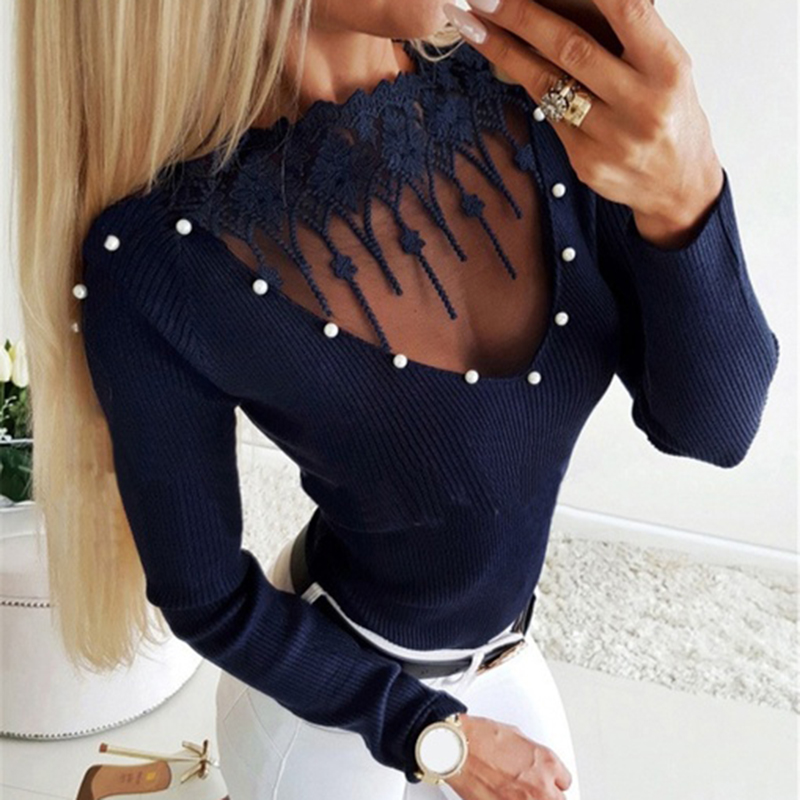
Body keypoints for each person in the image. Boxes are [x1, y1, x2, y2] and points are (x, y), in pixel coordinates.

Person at [12, 1, 779, 798]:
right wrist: (430, 735)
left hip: (506, 656)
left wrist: (686, 194)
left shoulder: (542, 99)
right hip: (321, 710)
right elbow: (206, 598)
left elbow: (713, 430)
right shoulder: (161, 253)